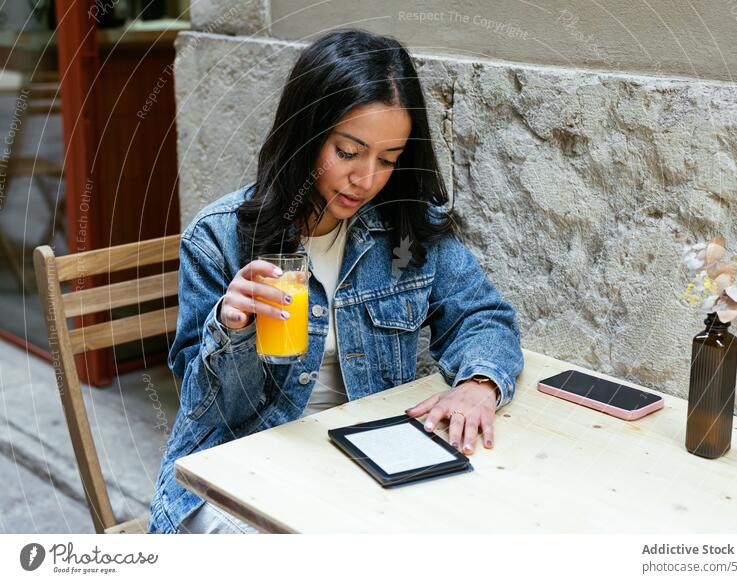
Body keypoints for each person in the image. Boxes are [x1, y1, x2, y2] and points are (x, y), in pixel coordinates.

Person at [147, 28, 523, 534]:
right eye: (348, 152)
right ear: (306, 134)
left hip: (364, 461)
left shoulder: (404, 228)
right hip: (237, 474)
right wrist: (231, 328)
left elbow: (481, 315)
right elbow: (210, 411)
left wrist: (479, 384)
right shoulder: (217, 239)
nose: (366, 179)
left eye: (388, 159)